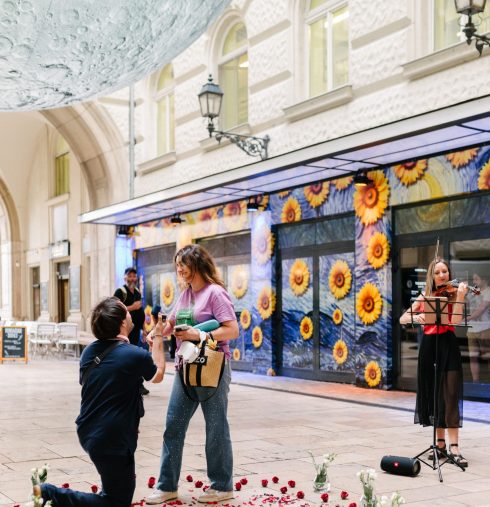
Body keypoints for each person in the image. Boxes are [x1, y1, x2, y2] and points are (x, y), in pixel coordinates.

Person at [35, 297, 166, 506]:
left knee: (115, 486)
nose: (130, 311)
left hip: (89, 430)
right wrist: (158, 335)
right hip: (112, 437)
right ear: (123, 322)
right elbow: (158, 374)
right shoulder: (134, 355)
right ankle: (50, 494)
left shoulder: (89, 352)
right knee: (115, 502)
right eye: (126, 310)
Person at [145, 244, 239, 505]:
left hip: (212, 367)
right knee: (173, 426)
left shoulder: (215, 294)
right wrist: (158, 331)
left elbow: (232, 330)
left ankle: (222, 486)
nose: (179, 270)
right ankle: (167, 486)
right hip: (184, 368)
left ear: (197, 264)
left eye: (183, 264)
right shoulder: (185, 295)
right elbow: (172, 322)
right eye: (177, 266)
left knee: (216, 427)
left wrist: (201, 334)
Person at [400, 257, 469, 467]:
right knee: (435, 393)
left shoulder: (454, 293)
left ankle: (454, 447)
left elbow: (455, 321)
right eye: (437, 272)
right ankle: (439, 445)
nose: (442, 275)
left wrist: (461, 297)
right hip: (430, 346)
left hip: (448, 344)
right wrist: (416, 318)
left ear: (449, 273)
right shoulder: (426, 296)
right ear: (432, 275)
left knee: (450, 393)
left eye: (444, 271)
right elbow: (403, 318)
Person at [467, 271, 490, 382]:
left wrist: (465, 319)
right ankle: (475, 381)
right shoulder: (475, 291)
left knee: (488, 357)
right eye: (473, 279)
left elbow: (481, 310)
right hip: (472, 329)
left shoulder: (488, 291)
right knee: (473, 357)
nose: (474, 281)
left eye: (476, 279)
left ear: (484, 279)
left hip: (485, 329)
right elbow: (465, 303)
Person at [114, 268, 145, 347]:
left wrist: (144, 329)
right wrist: (132, 307)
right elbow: (114, 309)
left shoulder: (137, 292)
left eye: (134, 276)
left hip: (137, 329)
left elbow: (140, 311)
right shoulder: (120, 292)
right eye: (130, 276)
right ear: (125, 278)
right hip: (125, 330)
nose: (132, 279)